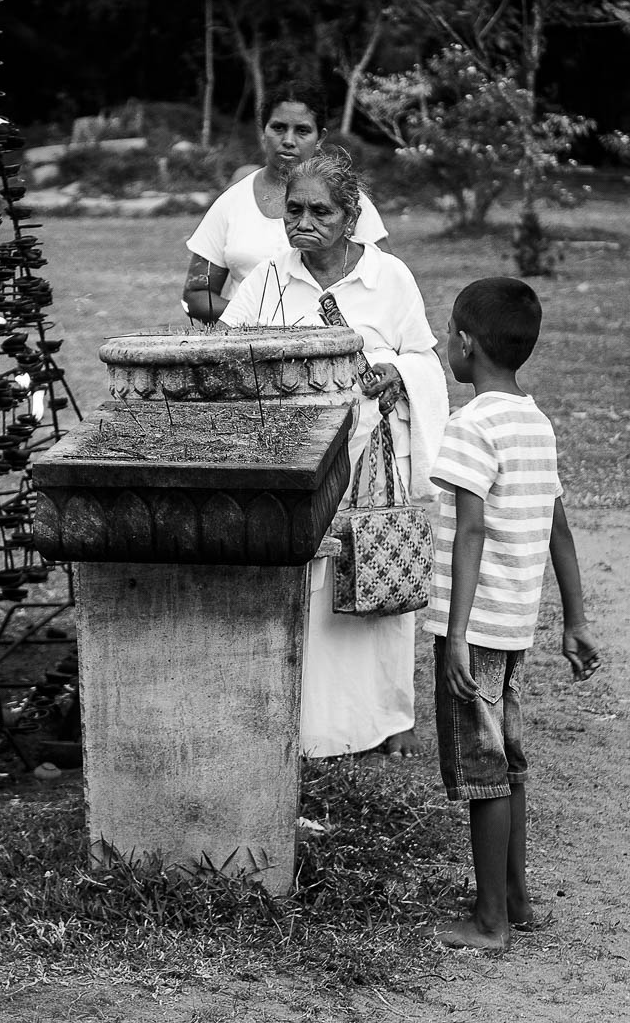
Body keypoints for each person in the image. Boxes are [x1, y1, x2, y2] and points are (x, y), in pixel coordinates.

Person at [218, 150, 448, 758]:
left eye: (320, 211)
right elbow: (226, 348)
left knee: (374, 574)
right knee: (306, 587)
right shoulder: (269, 277)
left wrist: (392, 370)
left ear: (351, 217)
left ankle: (385, 720)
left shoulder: (389, 277)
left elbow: (426, 360)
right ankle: (309, 728)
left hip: (369, 460)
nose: (303, 222)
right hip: (294, 460)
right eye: (294, 210)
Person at [422, 277, 601, 952]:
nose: (445, 343)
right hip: (515, 623)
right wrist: (575, 620)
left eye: (448, 334)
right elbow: (560, 529)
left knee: (483, 772)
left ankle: (489, 921)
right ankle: (518, 901)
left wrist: (458, 636)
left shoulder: (471, 425)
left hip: (475, 631)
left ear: (466, 344)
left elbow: (470, 532)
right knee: (509, 764)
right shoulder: (534, 420)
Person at [181, 79, 389, 323]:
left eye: (302, 130)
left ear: (319, 137)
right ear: (263, 131)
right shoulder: (233, 201)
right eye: (278, 128)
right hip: (249, 346)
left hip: (334, 341)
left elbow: (387, 282)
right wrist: (260, 319)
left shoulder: (347, 201)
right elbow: (196, 295)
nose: (289, 140)